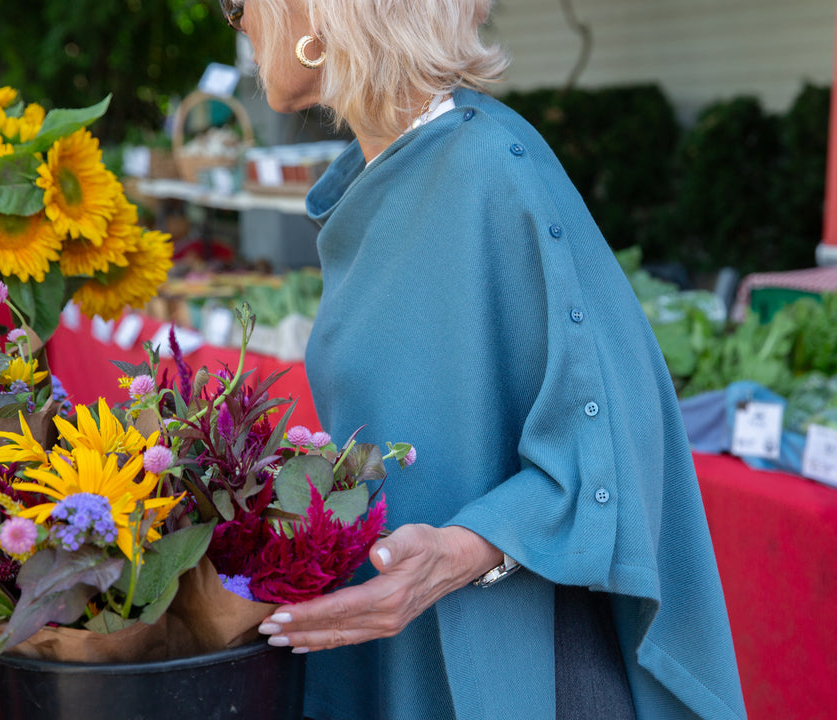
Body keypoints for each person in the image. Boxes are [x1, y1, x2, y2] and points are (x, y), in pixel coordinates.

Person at [231, 1, 748, 718]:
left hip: (513, 658)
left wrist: (460, 552)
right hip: (403, 643)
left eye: (238, 2)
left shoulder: (492, 169)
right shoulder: (381, 172)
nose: (238, 22)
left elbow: (611, 445)